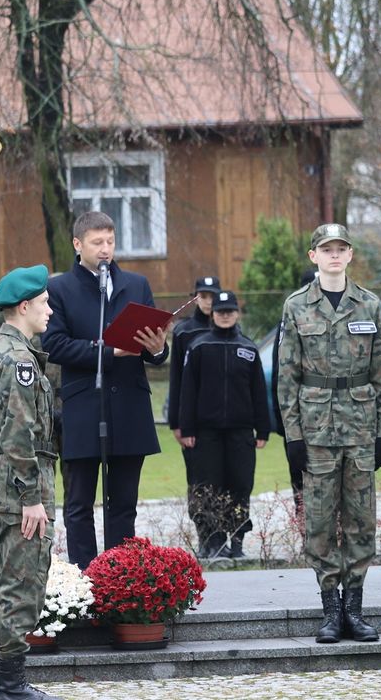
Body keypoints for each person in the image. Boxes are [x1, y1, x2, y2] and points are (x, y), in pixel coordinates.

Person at [278, 224, 381, 644]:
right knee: (322, 522)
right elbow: (287, 378)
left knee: (362, 520)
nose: (333, 255)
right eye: (326, 249)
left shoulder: (369, 305)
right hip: (316, 430)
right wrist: (292, 436)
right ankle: (330, 610)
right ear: (313, 256)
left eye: (340, 249)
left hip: (361, 428)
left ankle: (355, 610)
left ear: (349, 256)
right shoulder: (296, 307)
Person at [41, 210, 169, 568]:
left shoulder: (137, 284)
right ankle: (84, 578)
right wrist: (108, 351)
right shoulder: (59, 288)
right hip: (84, 407)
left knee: (124, 502)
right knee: (79, 503)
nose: (105, 249)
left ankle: (120, 577)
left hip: (129, 406)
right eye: (97, 242)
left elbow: (153, 349)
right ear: (78, 244)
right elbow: (54, 345)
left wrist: (157, 348)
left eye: (110, 241)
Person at [0, 264, 60, 700]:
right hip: (19, 490)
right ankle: (8, 687)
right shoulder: (18, 360)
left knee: (14, 583)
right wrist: (31, 497)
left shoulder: (11, 352)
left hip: (12, 485)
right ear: (24, 306)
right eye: (44, 302)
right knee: (19, 587)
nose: (49, 309)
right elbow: (16, 434)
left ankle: (6, 684)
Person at [178, 290, 270, 559]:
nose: (226, 315)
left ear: (237, 313)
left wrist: (262, 429)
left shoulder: (249, 349)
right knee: (208, 486)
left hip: (241, 433)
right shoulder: (199, 346)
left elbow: (258, 393)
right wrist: (187, 429)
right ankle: (212, 541)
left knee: (240, 485)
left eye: (230, 311)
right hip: (206, 434)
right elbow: (187, 392)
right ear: (213, 314)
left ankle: (237, 539)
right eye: (221, 311)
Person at [270, 268, 317, 515]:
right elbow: (281, 372)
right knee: (300, 477)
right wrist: (283, 421)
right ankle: (305, 531)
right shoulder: (289, 321)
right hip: (300, 416)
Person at [167, 275, 220, 441]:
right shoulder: (183, 331)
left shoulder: (231, 330)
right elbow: (176, 377)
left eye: (213, 297)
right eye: (203, 296)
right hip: (193, 414)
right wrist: (175, 422)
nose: (208, 302)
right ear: (195, 299)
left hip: (224, 413)